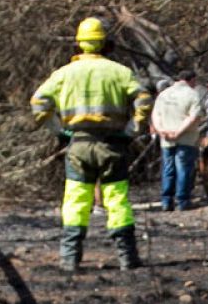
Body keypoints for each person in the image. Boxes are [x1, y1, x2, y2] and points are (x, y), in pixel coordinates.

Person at [30, 16, 152, 272]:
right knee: (117, 200)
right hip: (113, 145)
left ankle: (69, 259)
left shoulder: (64, 73)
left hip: (79, 145)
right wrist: (133, 128)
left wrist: (60, 130)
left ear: (79, 44)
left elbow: (38, 102)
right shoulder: (119, 72)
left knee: (75, 200)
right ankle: (127, 258)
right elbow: (143, 97)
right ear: (106, 44)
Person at [150, 68, 203, 212]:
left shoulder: (164, 94)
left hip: (166, 138)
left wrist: (161, 130)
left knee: (168, 169)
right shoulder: (193, 95)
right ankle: (182, 201)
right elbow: (193, 118)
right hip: (186, 138)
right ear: (191, 80)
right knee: (183, 168)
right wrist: (178, 132)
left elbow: (156, 115)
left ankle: (166, 201)